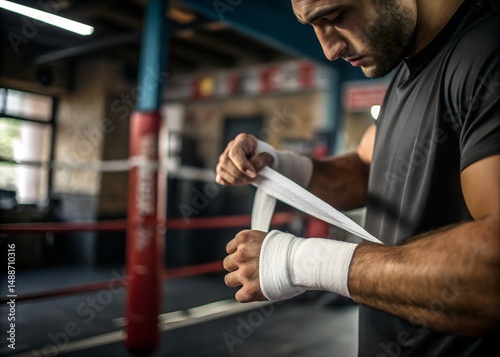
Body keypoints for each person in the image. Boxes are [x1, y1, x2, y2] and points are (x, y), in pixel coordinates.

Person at [216, 0, 500, 356]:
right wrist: (279, 165)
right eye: (312, 26)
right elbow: (371, 169)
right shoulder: (404, 68)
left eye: (335, 17)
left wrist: (302, 261)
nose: (329, 50)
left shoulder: (487, 55)